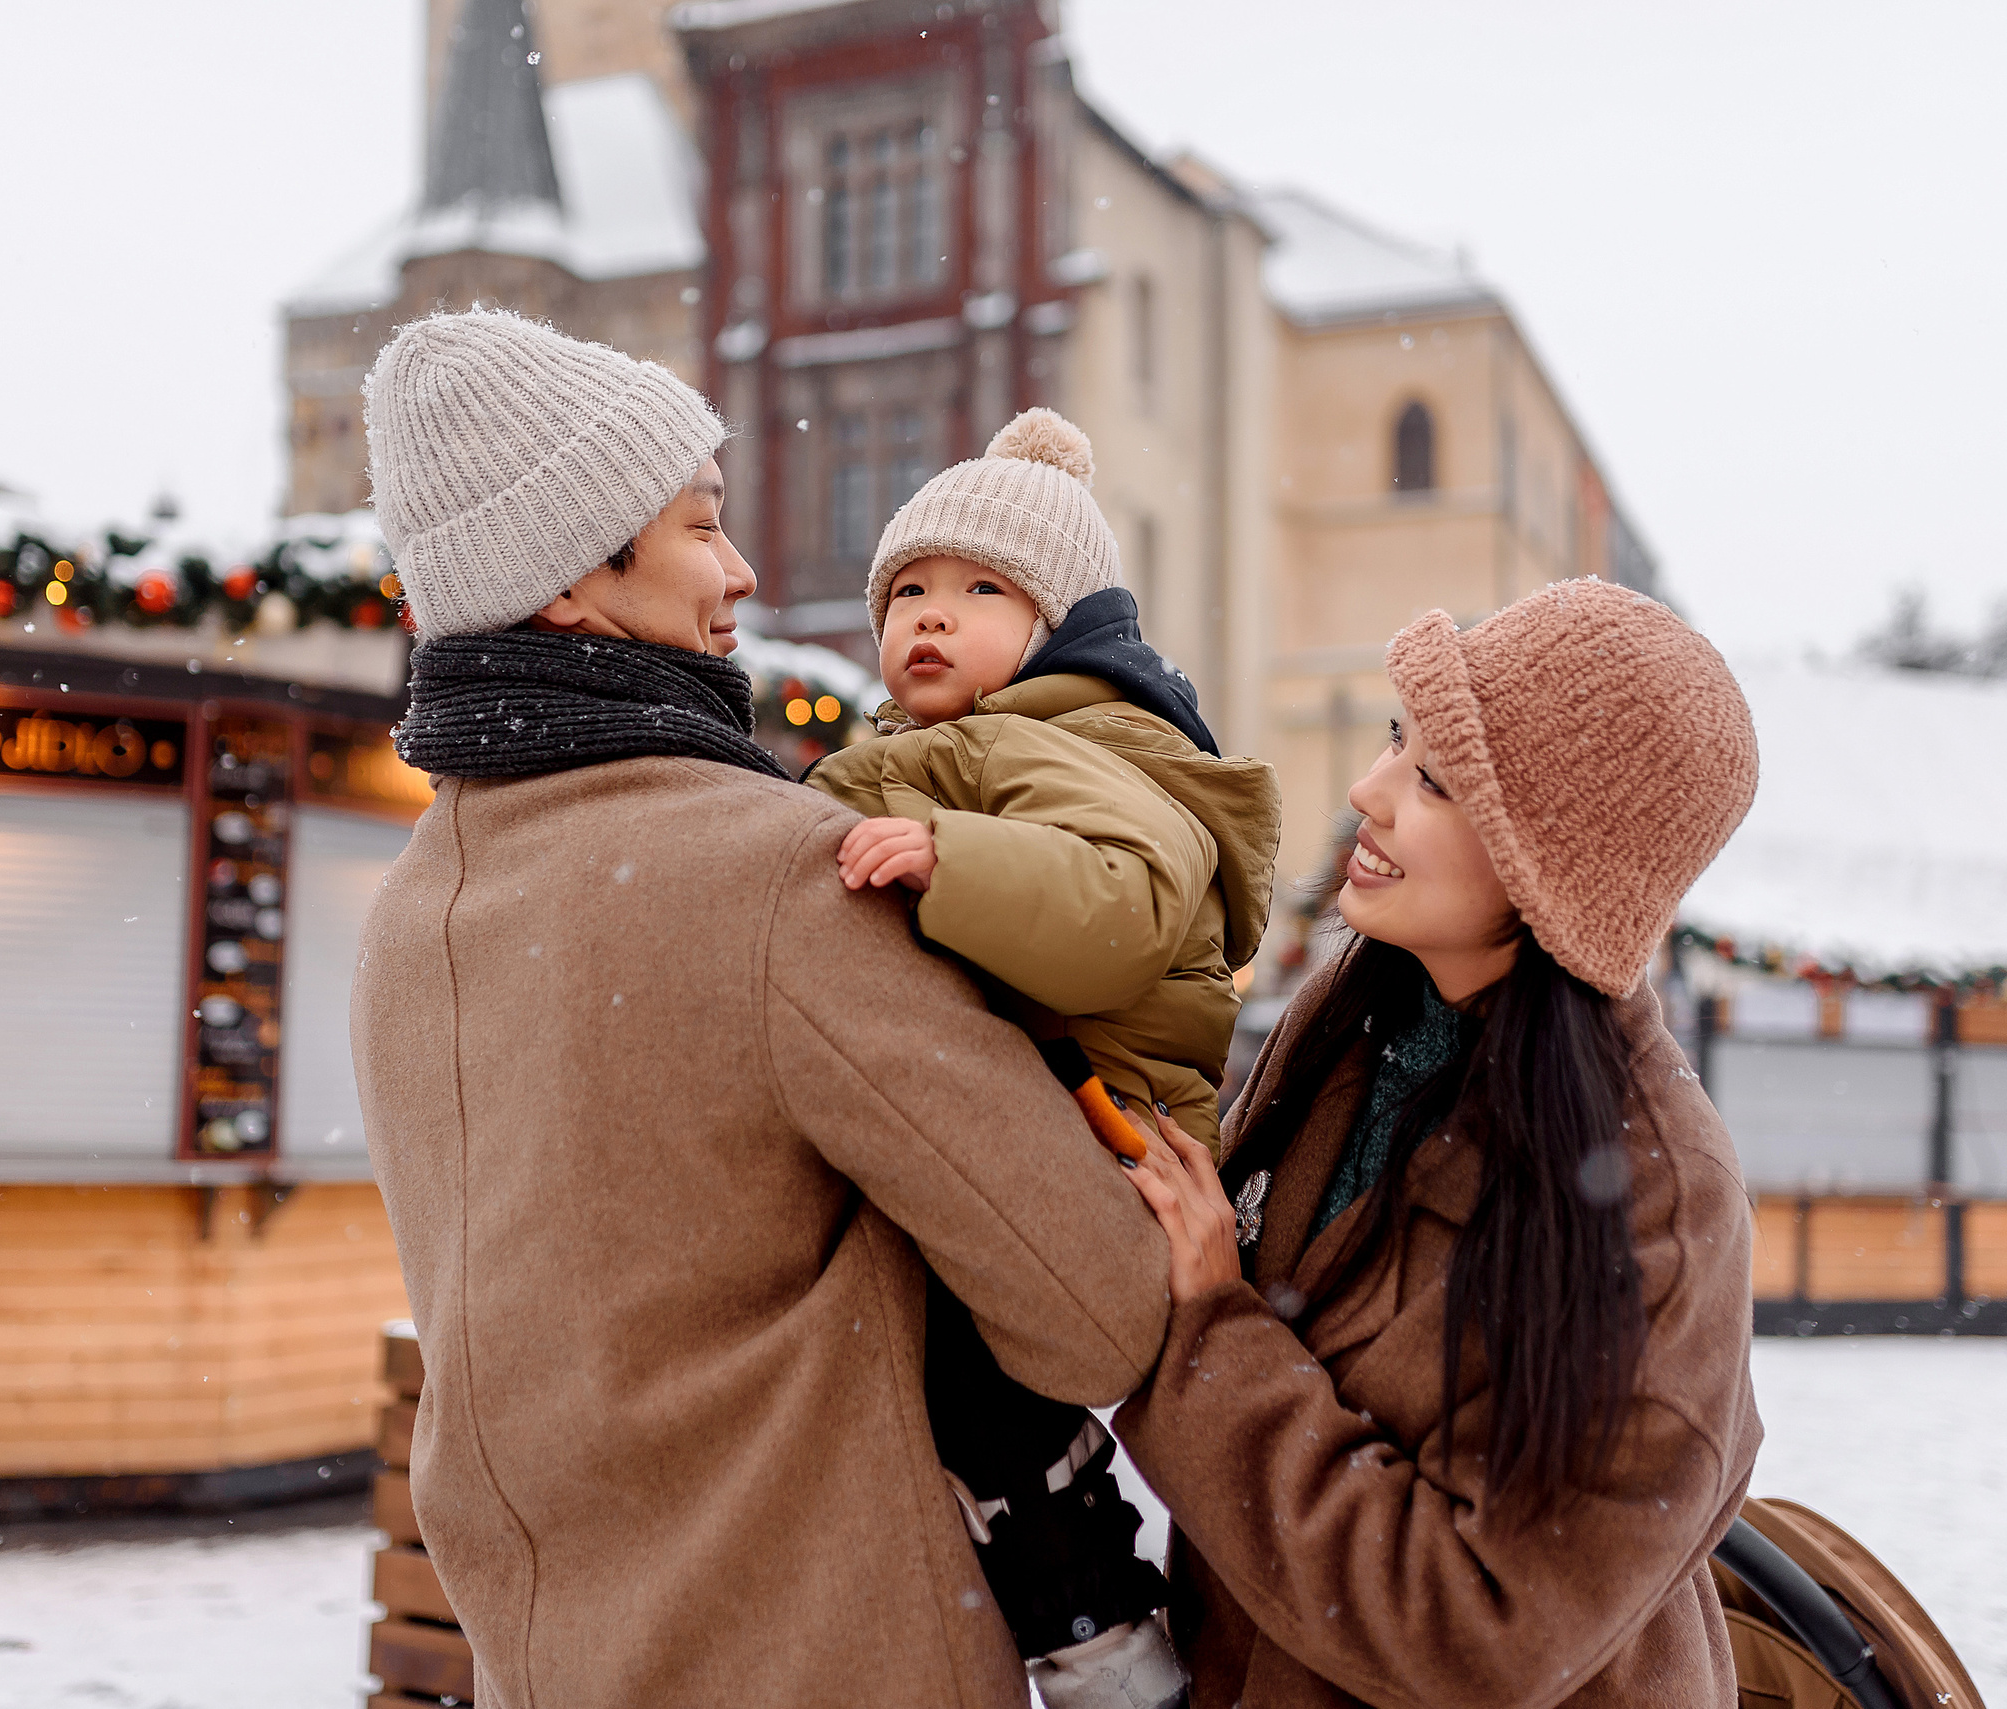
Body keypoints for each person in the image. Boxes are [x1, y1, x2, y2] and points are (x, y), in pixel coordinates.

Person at [348, 309, 1169, 1709]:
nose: (737, 570)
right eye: (699, 523)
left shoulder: (406, 918)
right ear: (570, 581)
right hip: (822, 1658)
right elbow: (1093, 1309)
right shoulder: (779, 876)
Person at [1114, 576, 1766, 1708]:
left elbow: (1480, 1631)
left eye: (1437, 780)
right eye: (1395, 737)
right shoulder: (1360, 1012)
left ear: (1555, 866)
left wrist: (1214, 1336)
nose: (1366, 791)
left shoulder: (1657, 1198)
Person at [808, 407, 1279, 1709]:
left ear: (1057, 627)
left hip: (1107, 1132)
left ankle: (1104, 1636)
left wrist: (953, 859)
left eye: (980, 591)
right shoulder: (936, 751)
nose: (931, 614)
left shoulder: (1047, 742)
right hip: (1027, 1119)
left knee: (979, 1386)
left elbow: (1129, 905)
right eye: (907, 589)